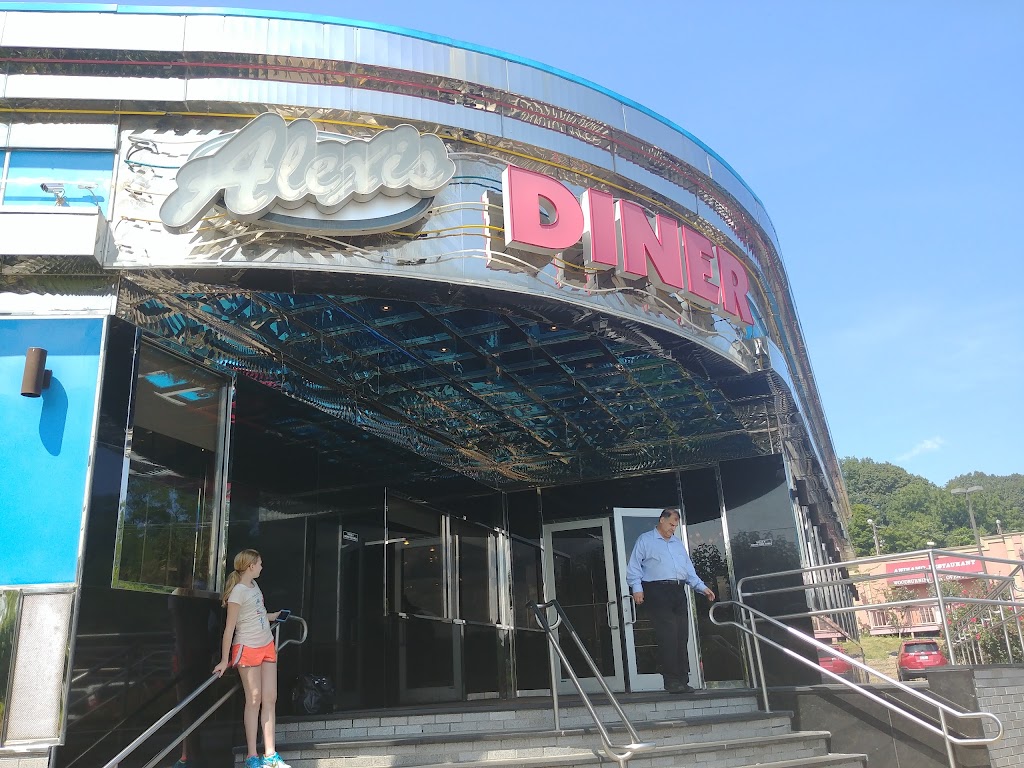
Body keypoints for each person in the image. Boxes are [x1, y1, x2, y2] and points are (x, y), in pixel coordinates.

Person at [213, 550, 290, 768]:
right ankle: (252, 756)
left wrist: (274, 616)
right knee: (254, 699)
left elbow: (257, 613)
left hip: (266, 644)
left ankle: (271, 754)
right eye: (260, 564)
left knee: (270, 697)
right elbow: (229, 628)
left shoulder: (254, 586)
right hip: (247, 647)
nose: (262, 567)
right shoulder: (237, 592)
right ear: (250, 566)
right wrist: (224, 659)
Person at [626, 509, 715, 694]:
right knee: (668, 636)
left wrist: (702, 587)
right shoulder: (645, 540)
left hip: (678, 590)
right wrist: (637, 588)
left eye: (675, 526)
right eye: (671, 524)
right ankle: (671, 680)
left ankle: (683, 679)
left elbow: (688, 570)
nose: (673, 529)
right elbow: (634, 566)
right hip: (657, 590)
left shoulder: (677, 543)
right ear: (662, 520)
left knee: (681, 636)